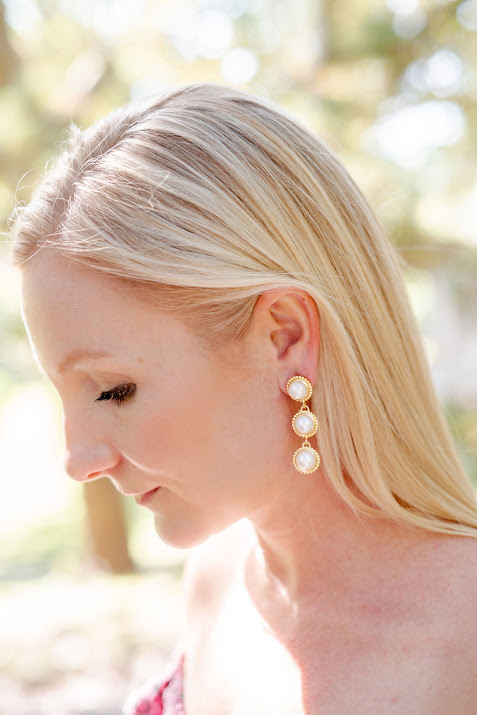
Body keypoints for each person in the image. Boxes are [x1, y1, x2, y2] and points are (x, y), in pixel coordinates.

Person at [9, 82, 477, 714]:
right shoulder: (217, 573)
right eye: (63, 393)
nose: (79, 460)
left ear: (284, 335)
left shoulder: (458, 652)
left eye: (114, 390)